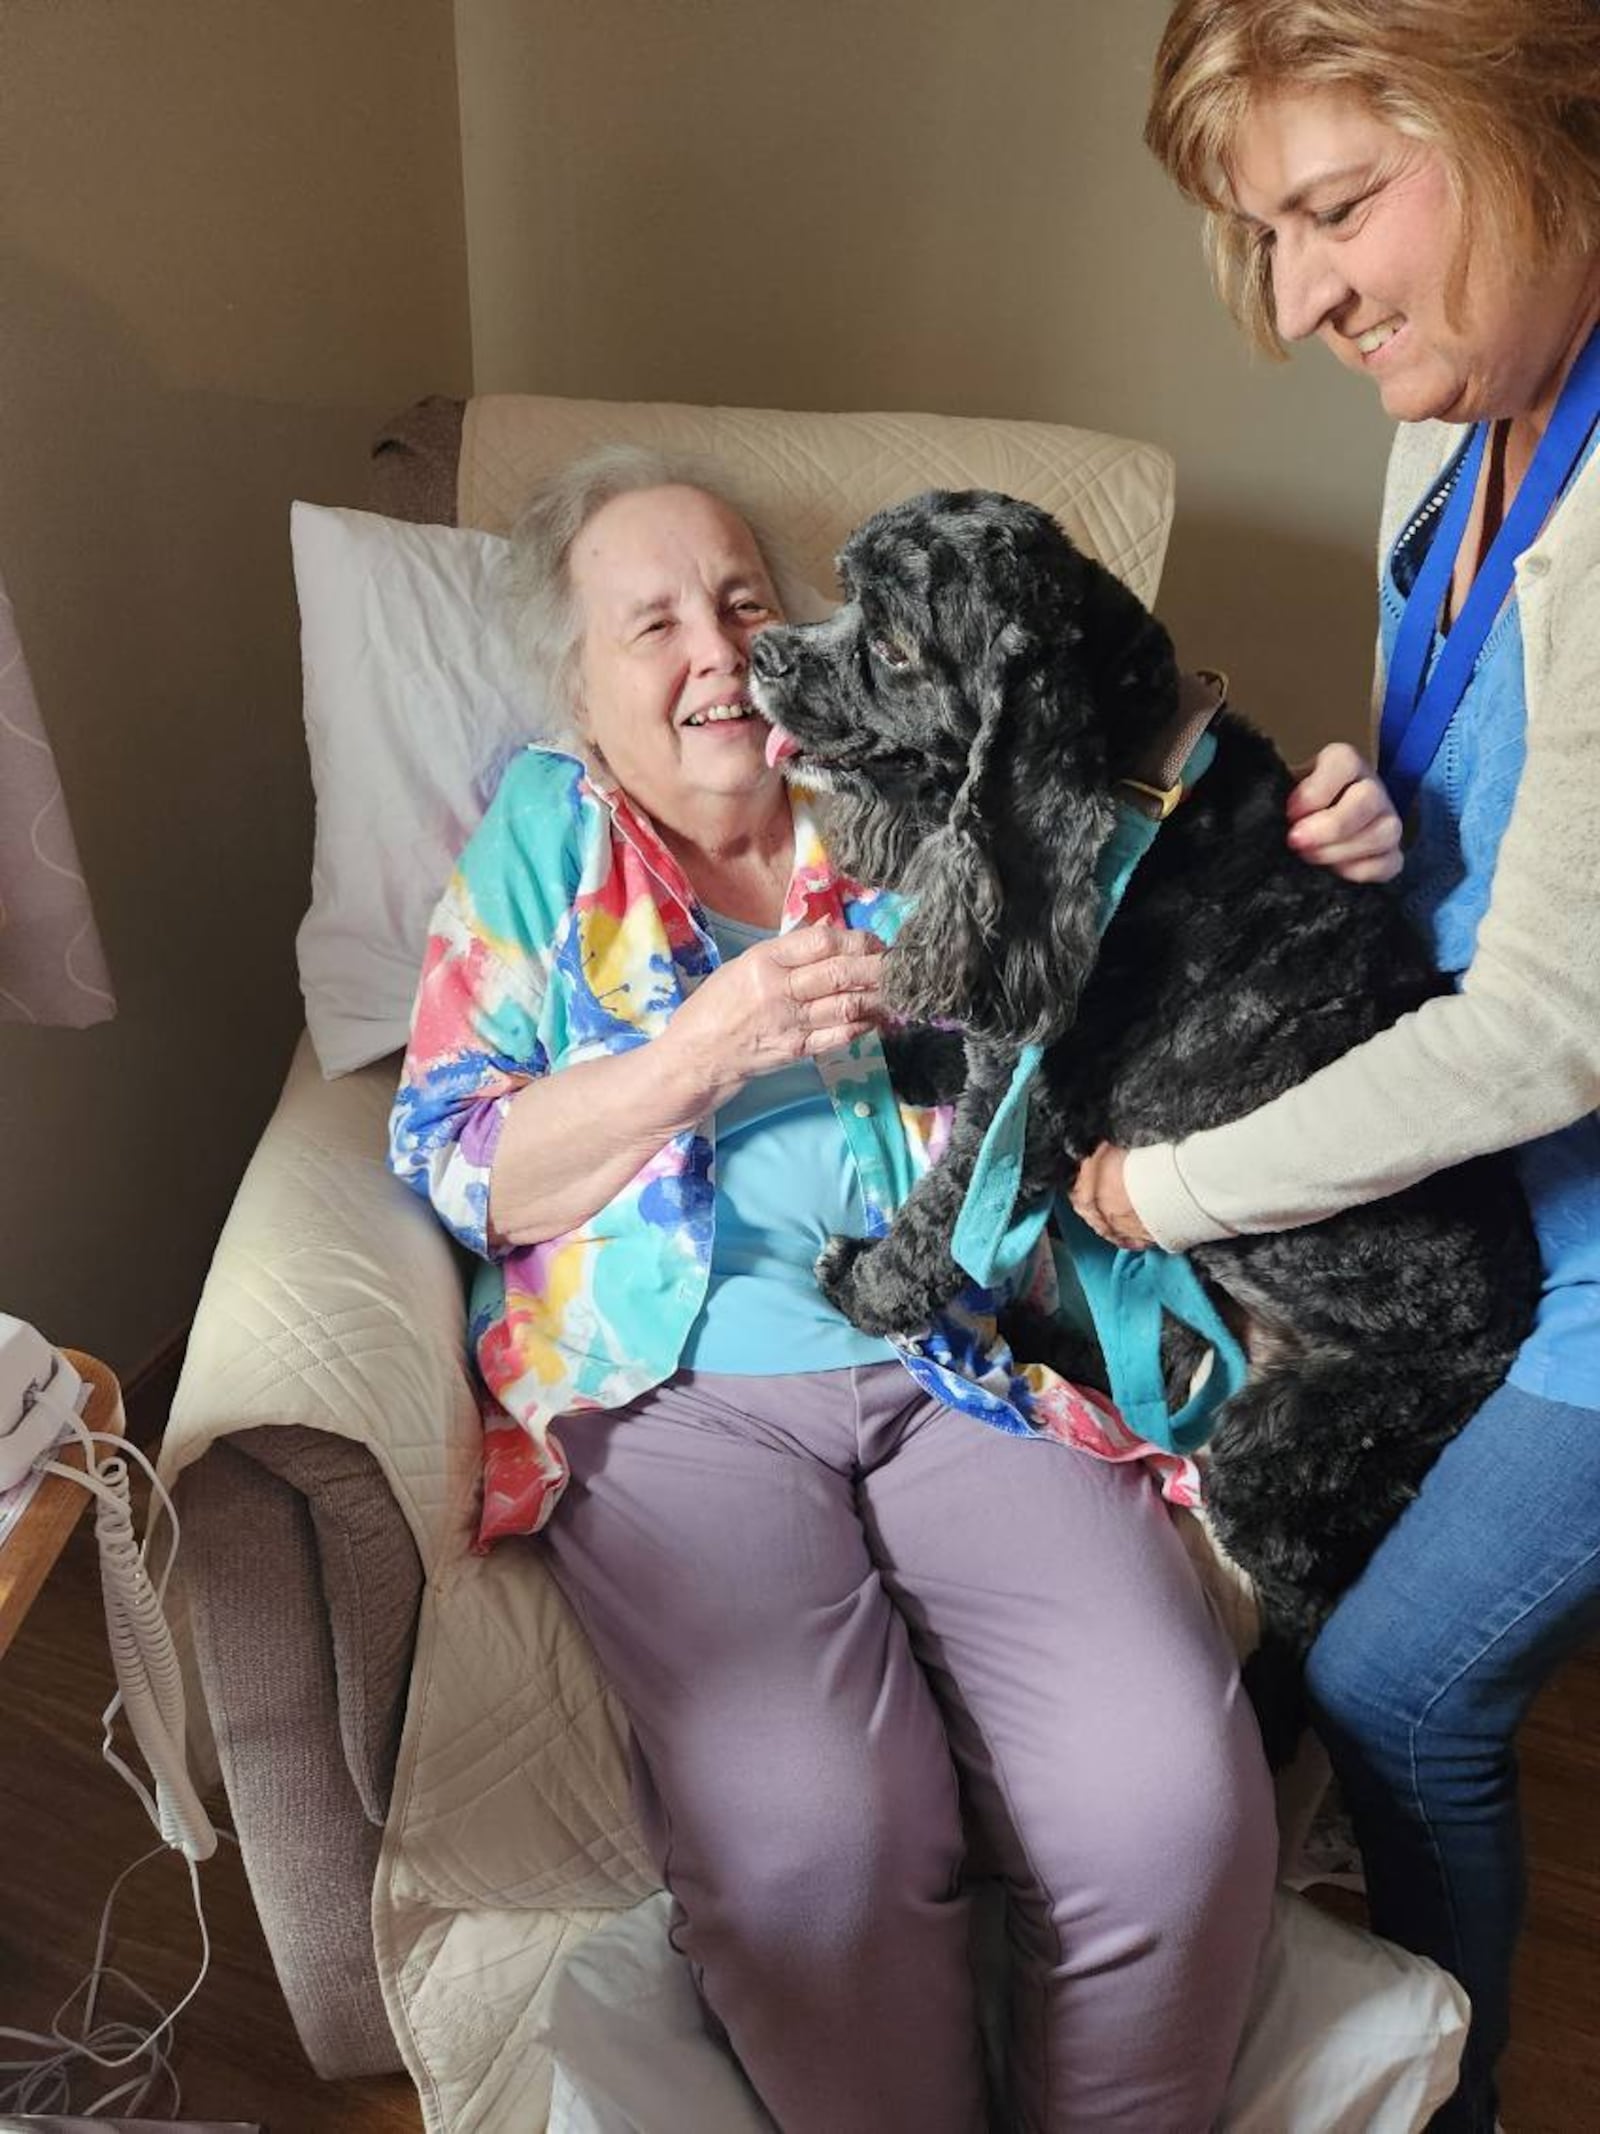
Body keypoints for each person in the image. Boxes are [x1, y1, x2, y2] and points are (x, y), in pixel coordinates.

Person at [387, 443, 1289, 2132]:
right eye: (648, 622)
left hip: (955, 1355)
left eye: (739, 599)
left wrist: (1315, 826)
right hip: (681, 1400)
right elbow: (458, 1161)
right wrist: (699, 1052)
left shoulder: (895, 786)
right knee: (819, 1839)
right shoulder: (539, 837)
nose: (714, 648)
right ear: (580, 685)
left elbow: (1143, 870)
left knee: (1171, 1793)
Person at [1070, 6, 1600, 2128]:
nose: (1297, 305)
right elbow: (1475, 839)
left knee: (1398, 1683)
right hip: (1483, 1191)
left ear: (1532, 125)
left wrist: (1152, 1194)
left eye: (1333, 212)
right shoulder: (1443, 429)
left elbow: (1544, 1023)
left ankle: (1440, 2106)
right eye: (1261, 237)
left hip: (1575, 1237)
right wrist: (1362, 818)